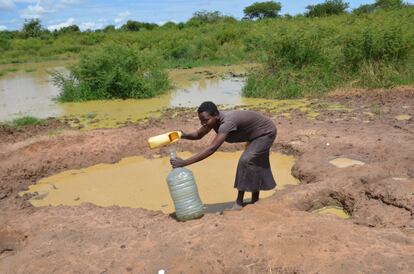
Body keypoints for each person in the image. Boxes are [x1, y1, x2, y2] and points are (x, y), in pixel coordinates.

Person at [170, 101, 277, 210]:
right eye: (201, 121)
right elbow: (198, 134)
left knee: (246, 160)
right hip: (254, 135)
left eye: (205, 120)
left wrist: (184, 163)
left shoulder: (227, 123)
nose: (203, 124)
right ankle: (255, 200)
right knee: (254, 162)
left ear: (216, 115)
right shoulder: (212, 121)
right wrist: (183, 135)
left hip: (265, 133)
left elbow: (212, 148)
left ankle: (239, 202)